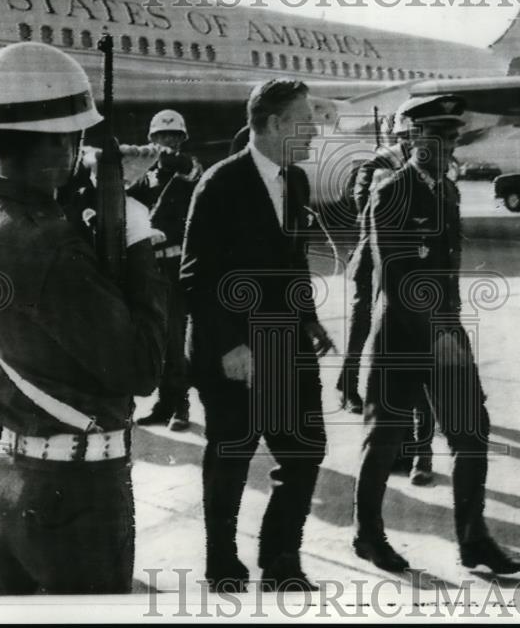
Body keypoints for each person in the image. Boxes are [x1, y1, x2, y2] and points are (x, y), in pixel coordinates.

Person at [0, 41, 168, 594]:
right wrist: (134, 229)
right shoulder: (49, 247)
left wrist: (101, 184)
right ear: (62, 142)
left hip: (9, 476)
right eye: (77, 138)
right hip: (77, 493)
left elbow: (29, 224)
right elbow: (142, 368)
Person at [353, 94, 520, 576]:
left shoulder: (446, 192)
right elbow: (398, 277)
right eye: (440, 137)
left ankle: (474, 542)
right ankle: (367, 535)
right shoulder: (391, 192)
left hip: (445, 335)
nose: (451, 145)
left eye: (454, 137)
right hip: (401, 339)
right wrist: (438, 334)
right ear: (413, 139)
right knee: (384, 442)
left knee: (471, 434)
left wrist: (449, 332)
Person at [179, 78, 335, 593]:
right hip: (235, 352)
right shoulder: (220, 183)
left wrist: (308, 317)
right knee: (230, 457)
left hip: (286, 343)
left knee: (306, 450)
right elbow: (196, 277)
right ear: (274, 124)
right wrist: (230, 345)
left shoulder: (294, 182)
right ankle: (222, 564)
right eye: (306, 120)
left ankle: (280, 562)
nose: (315, 130)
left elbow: (292, 262)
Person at [336, 96, 436, 486]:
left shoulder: (434, 167)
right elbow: (364, 207)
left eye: (420, 135)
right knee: (364, 325)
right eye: (409, 136)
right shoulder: (378, 163)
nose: (414, 142)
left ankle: (416, 448)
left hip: (413, 272)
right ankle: (347, 381)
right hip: (374, 262)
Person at [129, 109, 203, 432]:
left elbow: (191, 172)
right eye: (162, 137)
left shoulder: (190, 169)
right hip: (151, 267)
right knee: (156, 337)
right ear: (152, 140)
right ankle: (164, 402)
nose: (168, 142)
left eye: (174, 137)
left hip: (177, 267)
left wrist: (174, 161)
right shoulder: (145, 179)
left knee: (175, 338)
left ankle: (181, 406)